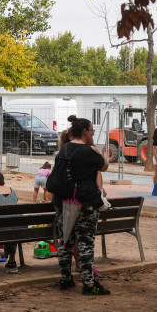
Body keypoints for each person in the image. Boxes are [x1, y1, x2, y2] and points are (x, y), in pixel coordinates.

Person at [52, 114, 110, 295]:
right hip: (85, 201)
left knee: (65, 240)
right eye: (92, 130)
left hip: (62, 201)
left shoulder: (64, 149)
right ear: (85, 131)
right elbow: (104, 166)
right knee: (85, 242)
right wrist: (95, 150)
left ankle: (65, 278)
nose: (93, 134)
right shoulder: (89, 151)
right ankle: (89, 283)